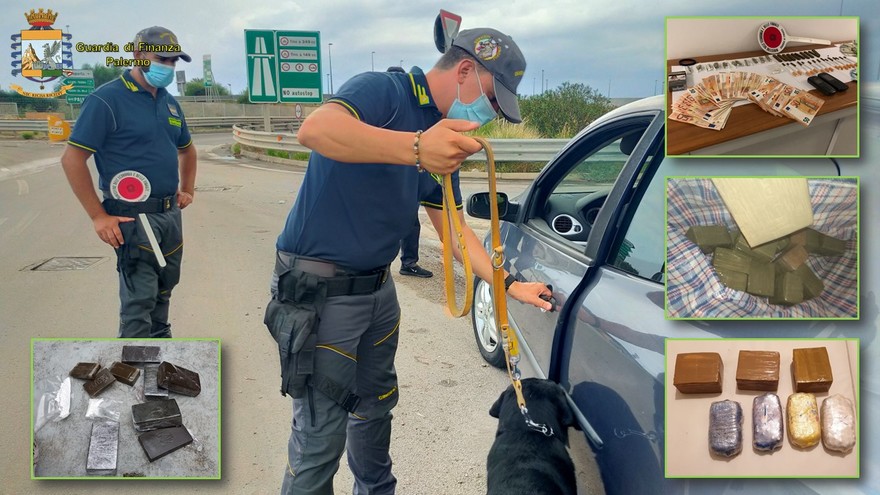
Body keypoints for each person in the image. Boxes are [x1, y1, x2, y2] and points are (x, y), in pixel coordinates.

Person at [266, 27, 551, 494]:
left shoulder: (441, 145)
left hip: (377, 292)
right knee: (319, 441)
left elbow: (458, 234)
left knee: (375, 413)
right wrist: (417, 149)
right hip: (320, 292)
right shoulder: (385, 91)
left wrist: (507, 285)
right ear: (464, 71)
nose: (487, 117)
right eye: (491, 101)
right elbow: (315, 129)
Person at [61, 26, 196, 338]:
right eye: (162, 58)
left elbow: (187, 149)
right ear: (138, 55)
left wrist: (187, 189)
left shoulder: (169, 102)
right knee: (139, 305)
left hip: (169, 216)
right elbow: (72, 159)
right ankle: (132, 376)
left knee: (163, 297)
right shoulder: (106, 99)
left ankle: (160, 367)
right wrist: (98, 216)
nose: (169, 66)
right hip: (132, 218)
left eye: (174, 60)